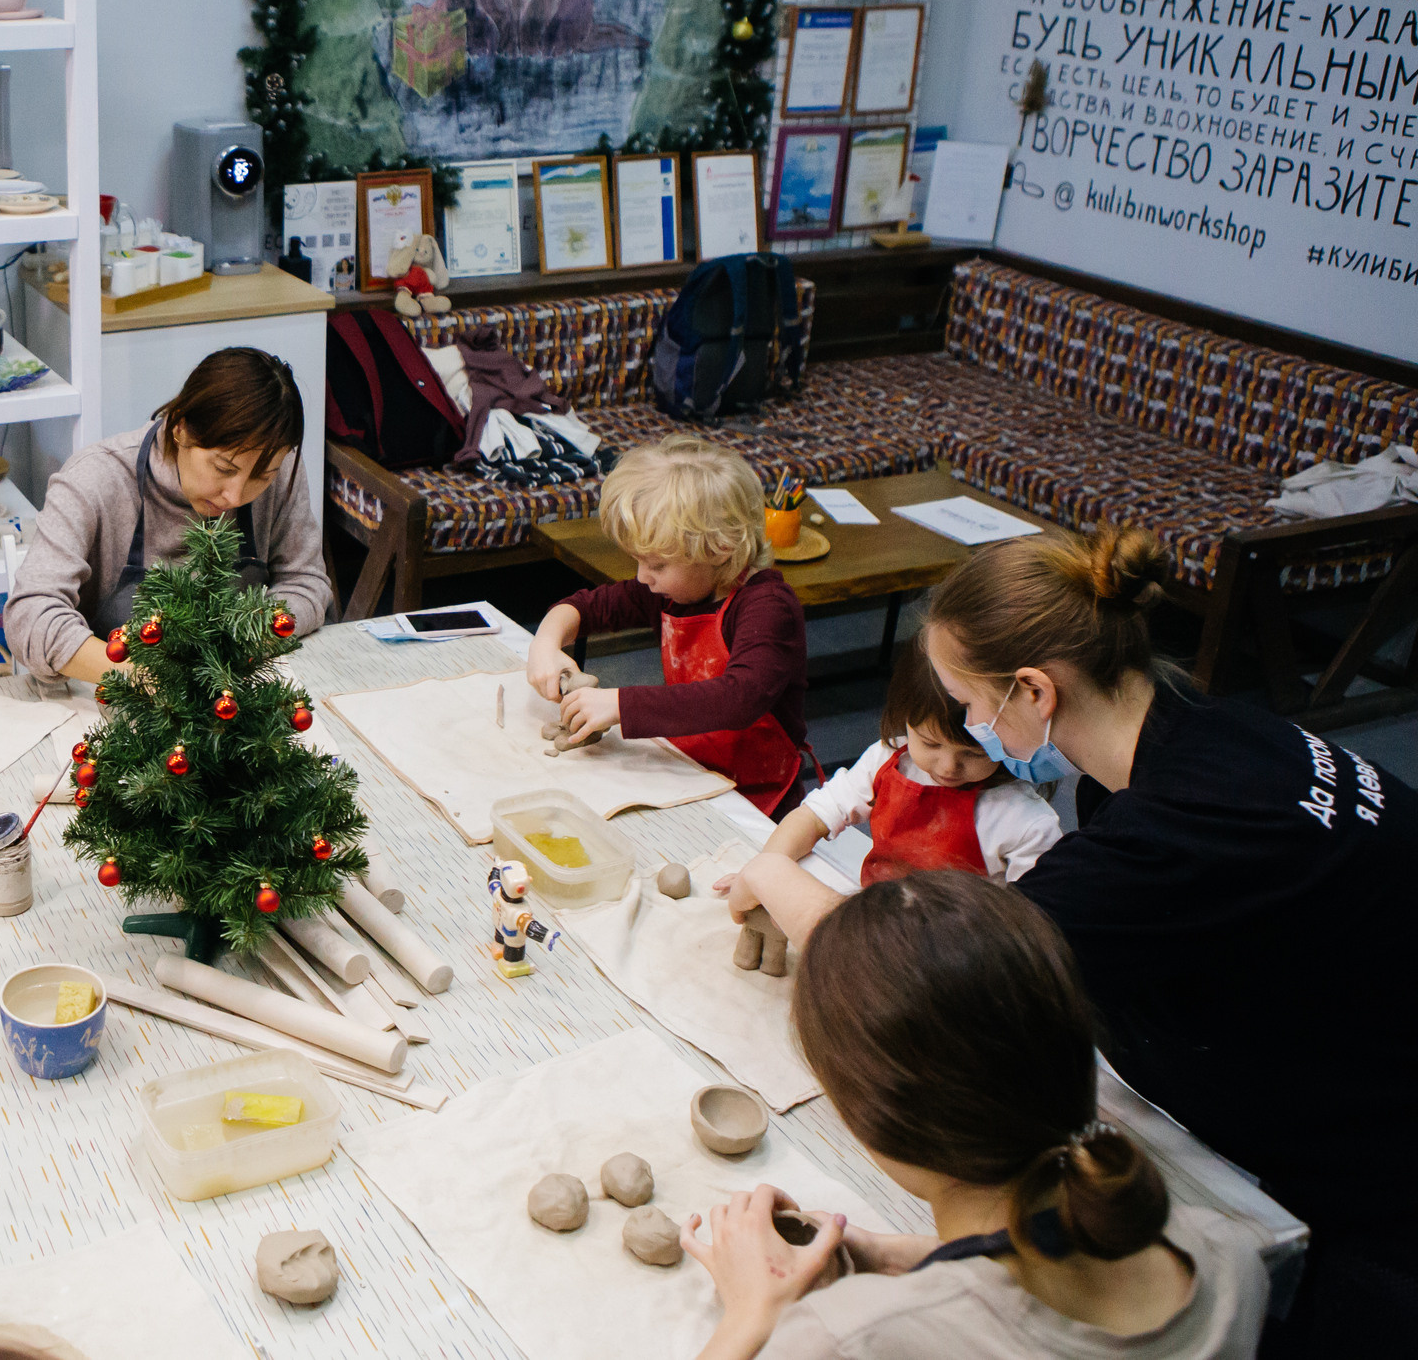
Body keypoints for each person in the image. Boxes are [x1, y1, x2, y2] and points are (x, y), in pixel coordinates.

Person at [726, 528, 1414, 1352]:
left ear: (1032, 692)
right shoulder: (1212, 729)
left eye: (971, 708)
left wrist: (769, 870)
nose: (970, 729)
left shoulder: (1161, 841)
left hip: (1379, 1169)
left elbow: (915, 972)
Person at [682, 870, 1268, 1359]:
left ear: (868, 1114)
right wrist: (903, 1257)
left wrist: (752, 1315)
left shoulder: (850, 1338)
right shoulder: (1225, 1251)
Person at [6, 347, 328, 685]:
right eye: (223, 468)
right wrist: (140, 679)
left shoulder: (279, 468)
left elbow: (306, 582)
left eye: (262, 477)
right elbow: (30, 615)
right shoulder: (95, 480)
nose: (235, 496)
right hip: (115, 702)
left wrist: (245, 642)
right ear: (179, 428)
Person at [526, 437, 810, 811]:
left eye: (657, 565)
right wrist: (545, 643)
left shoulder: (768, 608)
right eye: (638, 561)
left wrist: (620, 704)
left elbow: (739, 698)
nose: (642, 577)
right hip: (691, 769)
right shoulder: (674, 589)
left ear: (717, 548)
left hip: (759, 794)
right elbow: (584, 608)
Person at [727, 639, 1059, 891]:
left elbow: (1029, 925)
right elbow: (814, 816)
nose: (948, 766)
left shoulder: (1024, 821)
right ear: (904, 720)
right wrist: (765, 868)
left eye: (974, 754)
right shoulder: (887, 760)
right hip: (881, 920)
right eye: (929, 743)